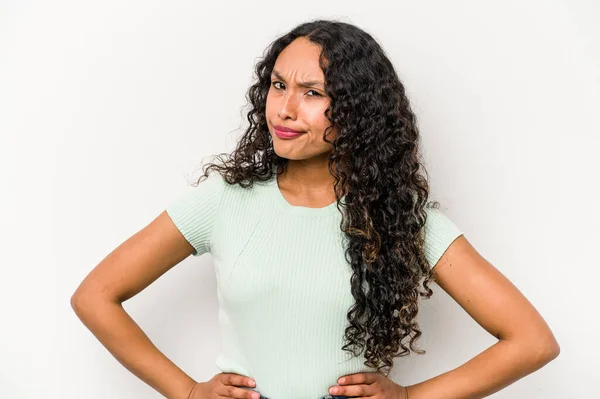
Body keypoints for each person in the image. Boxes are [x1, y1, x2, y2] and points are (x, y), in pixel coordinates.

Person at [71, 19, 560, 399]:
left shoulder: (398, 216)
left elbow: (531, 340)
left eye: (312, 93)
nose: (283, 108)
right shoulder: (223, 200)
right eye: (279, 85)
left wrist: (412, 395)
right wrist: (187, 390)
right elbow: (96, 295)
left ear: (356, 112)